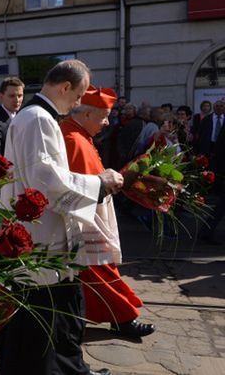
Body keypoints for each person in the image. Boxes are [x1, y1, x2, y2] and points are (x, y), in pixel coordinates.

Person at [0, 60, 123, 375]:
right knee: (43, 315)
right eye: (79, 95)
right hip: (42, 235)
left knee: (63, 308)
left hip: (44, 232)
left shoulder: (36, 117)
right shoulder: (39, 119)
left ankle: (70, 367)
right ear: (65, 88)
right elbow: (46, 182)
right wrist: (100, 183)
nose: (80, 103)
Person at [61, 86, 155, 338]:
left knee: (102, 270)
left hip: (92, 214)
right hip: (84, 220)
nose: (106, 122)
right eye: (103, 117)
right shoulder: (72, 138)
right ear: (87, 114)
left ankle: (121, 316)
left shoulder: (79, 134)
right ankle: (123, 318)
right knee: (98, 272)